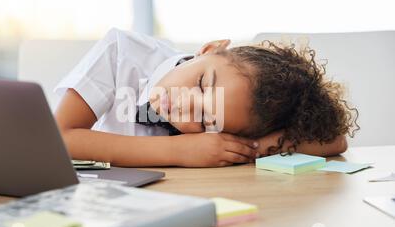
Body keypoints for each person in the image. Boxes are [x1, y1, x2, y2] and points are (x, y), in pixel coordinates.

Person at [54, 28, 358, 167]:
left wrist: (249, 148)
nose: (187, 105)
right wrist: (178, 151)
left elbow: (335, 141)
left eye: (205, 119)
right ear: (210, 49)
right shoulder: (121, 51)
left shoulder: (230, 121)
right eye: (202, 84)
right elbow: (61, 138)